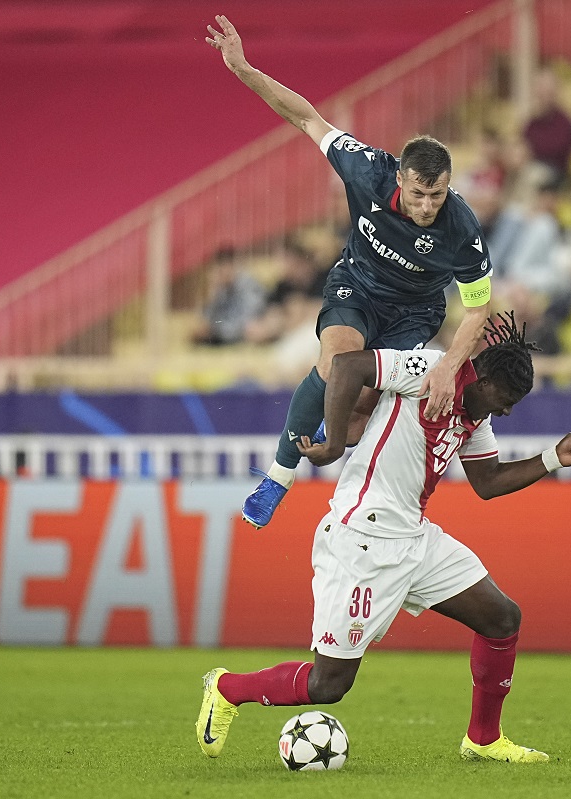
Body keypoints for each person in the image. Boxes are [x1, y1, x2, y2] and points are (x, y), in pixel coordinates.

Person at [195, 313, 571, 764]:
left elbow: (487, 481)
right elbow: (348, 366)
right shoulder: (427, 370)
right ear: (481, 379)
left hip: (414, 538)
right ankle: (227, 688)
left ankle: (483, 740)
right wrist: (331, 445)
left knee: (502, 618)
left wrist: (552, 459)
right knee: (328, 686)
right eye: (506, 399)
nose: (506, 411)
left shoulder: (473, 416)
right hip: (361, 538)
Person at [206, 17, 495, 529]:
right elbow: (306, 118)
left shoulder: (461, 227)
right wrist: (245, 69)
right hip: (356, 286)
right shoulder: (366, 168)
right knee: (336, 361)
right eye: (419, 193)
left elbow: (479, 308)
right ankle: (278, 476)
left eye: (438, 194)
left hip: (415, 313)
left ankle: (359, 504)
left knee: (359, 415)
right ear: (400, 178)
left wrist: (450, 365)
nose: (428, 205)